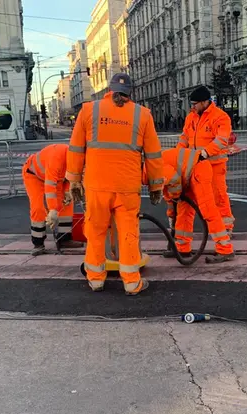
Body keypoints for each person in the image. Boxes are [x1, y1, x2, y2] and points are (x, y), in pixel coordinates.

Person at [66, 73, 164, 295]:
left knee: (95, 231)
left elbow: (75, 149)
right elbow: (154, 155)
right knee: (129, 233)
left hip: (96, 185)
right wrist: (156, 185)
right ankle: (131, 282)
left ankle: (95, 279)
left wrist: (73, 181)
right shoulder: (143, 114)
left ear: (108, 90)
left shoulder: (89, 110)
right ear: (131, 92)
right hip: (127, 186)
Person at [176, 85, 235, 236]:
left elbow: (222, 140)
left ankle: (225, 232)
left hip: (214, 165)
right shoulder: (191, 117)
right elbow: (185, 137)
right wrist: (179, 153)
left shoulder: (220, 117)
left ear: (204, 102)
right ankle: (183, 242)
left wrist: (204, 153)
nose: (193, 107)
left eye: (195, 104)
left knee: (218, 198)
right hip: (194, 165)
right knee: (187, 201)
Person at [160, 147, 234, 263]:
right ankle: (183, 248)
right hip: (187, 175)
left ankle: (225, 249)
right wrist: (171, 214)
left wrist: (176, 196)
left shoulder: (154, 169)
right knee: (184, 211)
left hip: (198, 170)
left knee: (207, 209)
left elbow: (173, 181)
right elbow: (168, 193)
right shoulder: (151, 169)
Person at [21, 143, 83, 256]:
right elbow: (50, 187)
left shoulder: (76, 159)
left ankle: (64, 239)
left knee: (67, 204)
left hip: (59, 179)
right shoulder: (56, 158)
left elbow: (72, 176)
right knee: (38, 208)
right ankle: (38, 243)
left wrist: (68, 191)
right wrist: (53, 210)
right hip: (34, 176)